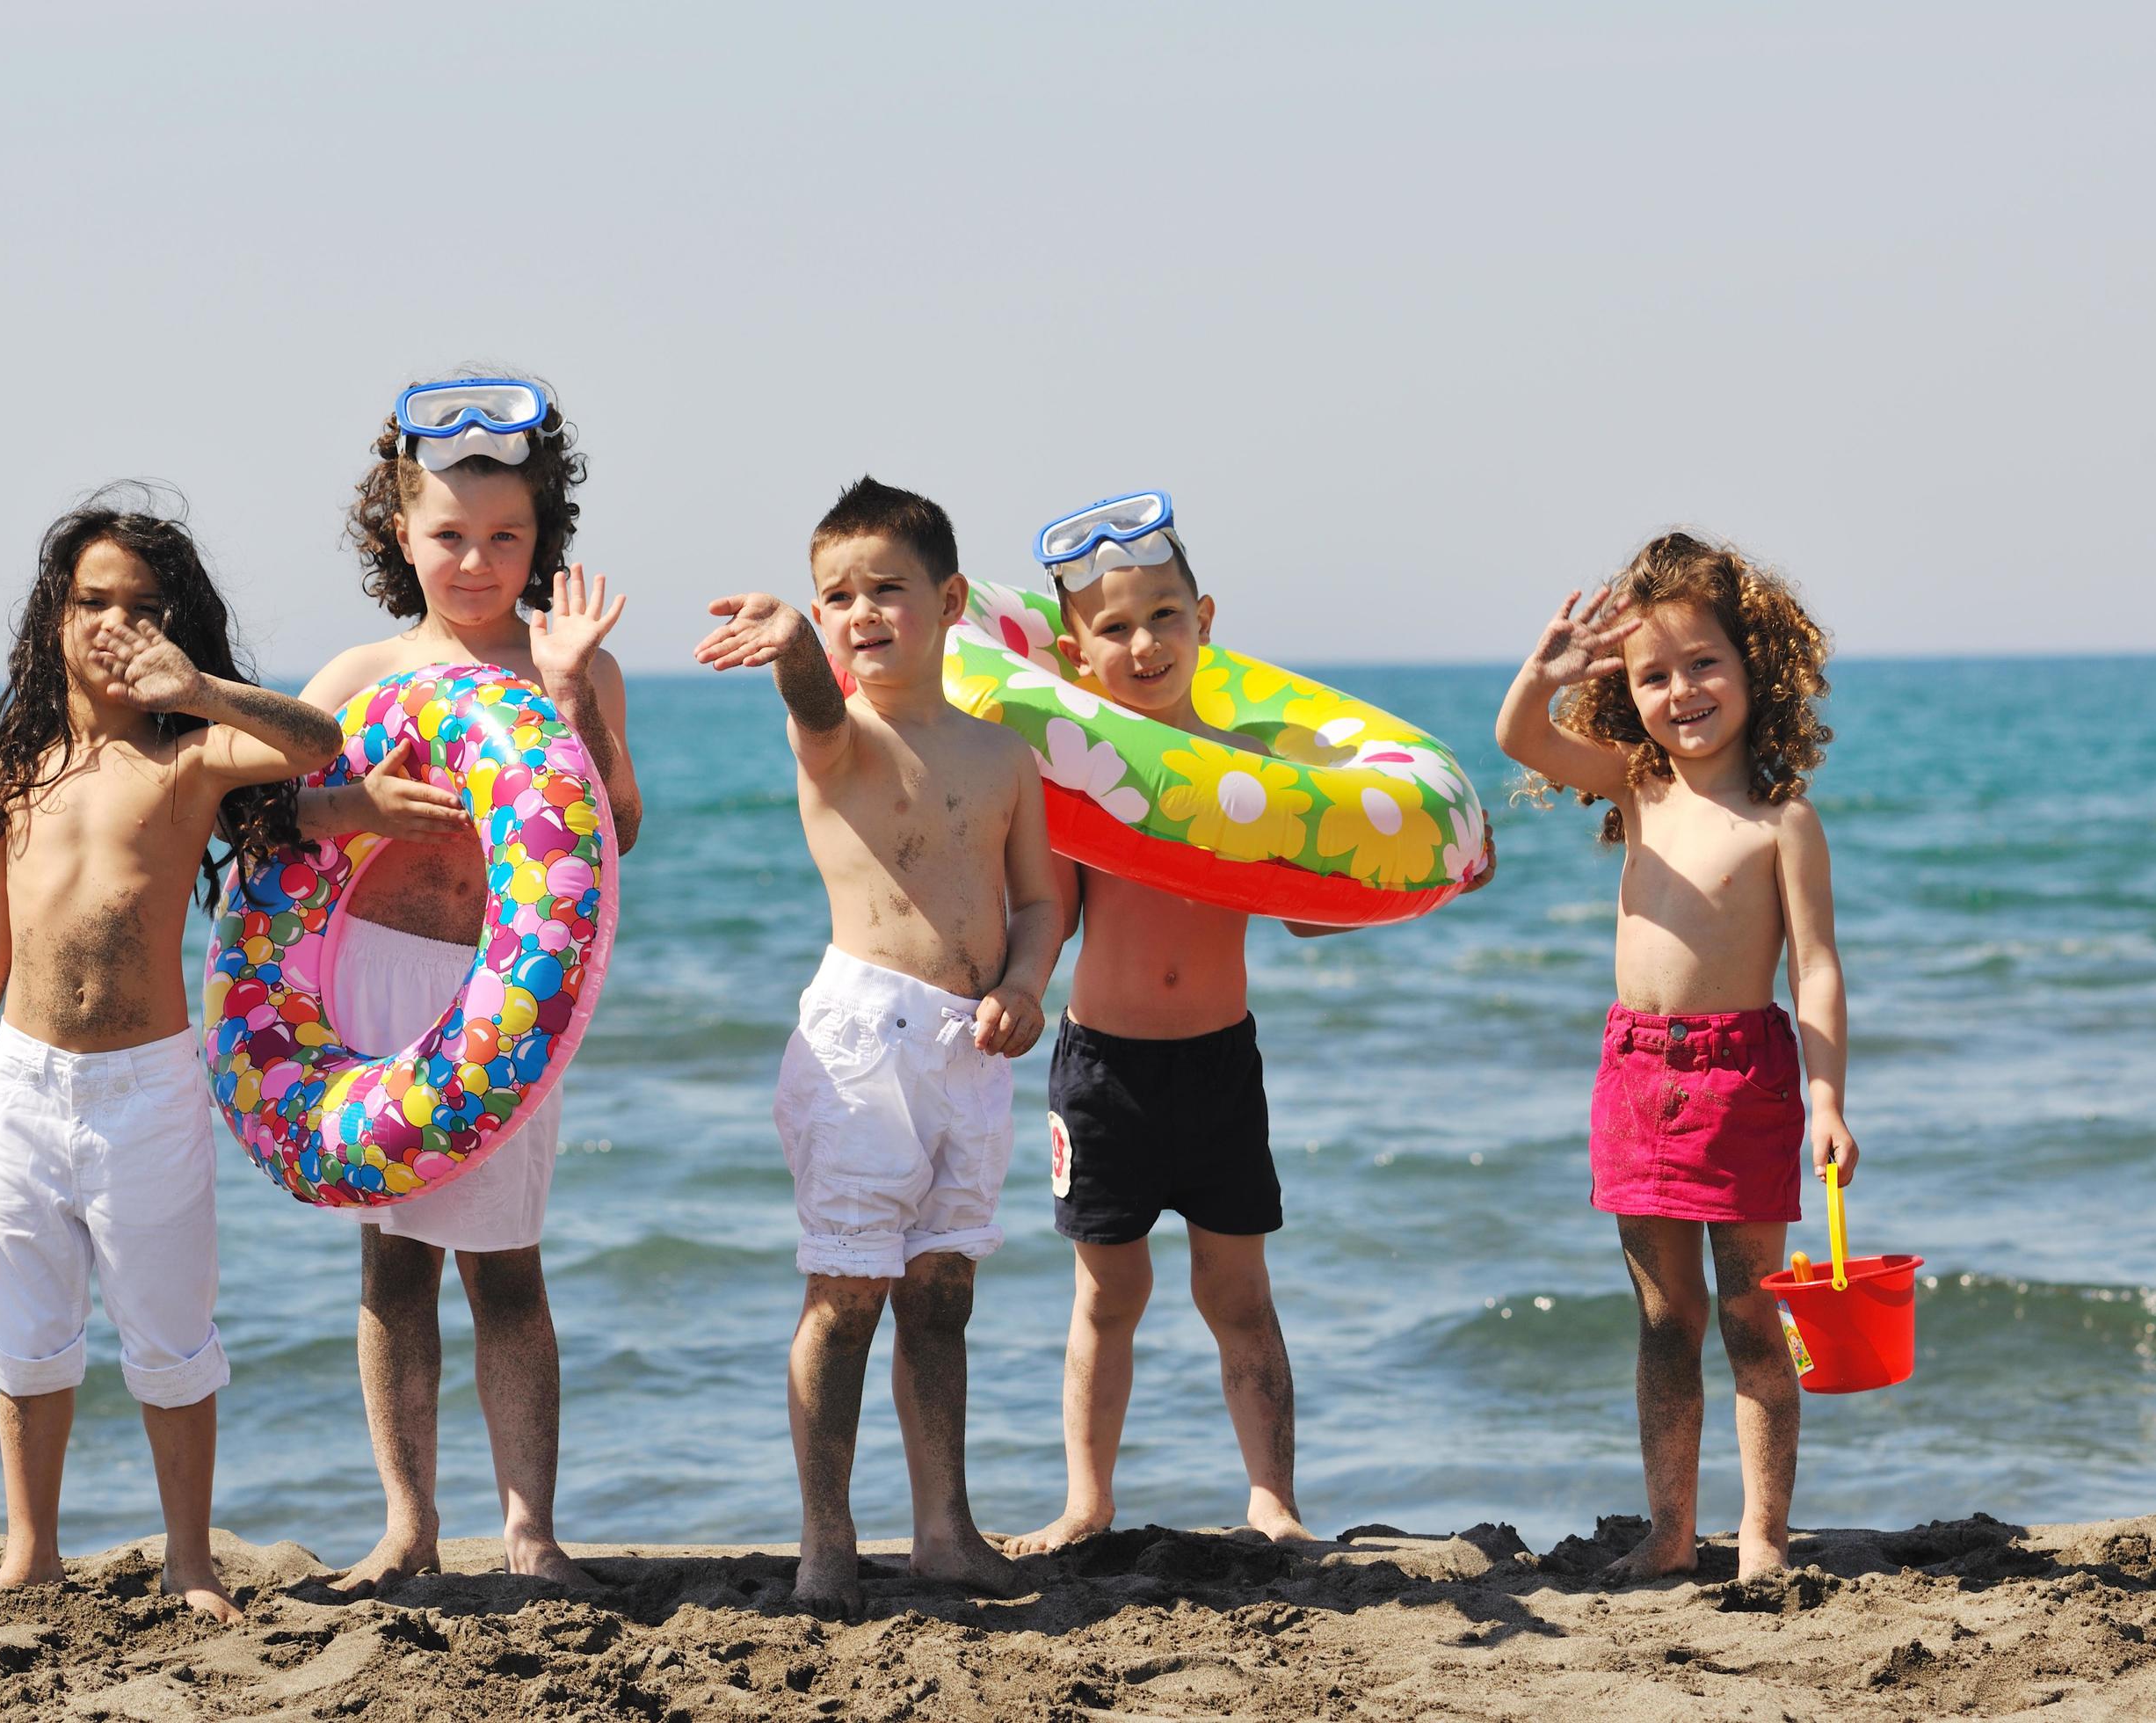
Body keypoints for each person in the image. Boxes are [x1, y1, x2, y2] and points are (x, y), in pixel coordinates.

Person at [0, 492, 345, 1622]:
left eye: (142, 607)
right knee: (29, 1332)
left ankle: (189, 1559)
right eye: (93, 601)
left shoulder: (186, 761)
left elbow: (315, 743)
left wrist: (191, 688)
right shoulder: (14, 771)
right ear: (55, 615)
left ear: (173, 622)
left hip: (148, 1090)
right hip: (30, 1087)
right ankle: (31, 1548)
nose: (114, 623)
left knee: (171, 1334)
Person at [293, 375, 640, 1591]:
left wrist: (569, 694)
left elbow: (620, 827)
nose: (478, 563)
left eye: (506, 538)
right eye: (449, 536)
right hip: (372, 975)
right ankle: (409, 1526)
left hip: (504, 991)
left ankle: (530, 1532)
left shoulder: (572, 663)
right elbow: (275, 822)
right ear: (400, 535)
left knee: (507, 1267)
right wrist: (353, 803)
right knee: (392, 1266)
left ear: (542, 540)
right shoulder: (360, 671)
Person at [695, 476, 1062, 1614]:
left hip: (971, 1050)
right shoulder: (839, 742)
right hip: (863, 1041)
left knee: (941, 1292)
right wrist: (793, 645)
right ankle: (826, 1542)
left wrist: (1025, 985)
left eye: (885, 590)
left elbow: (1041, 902)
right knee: (845, 1293)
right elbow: (810, 700)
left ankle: (945, 1532)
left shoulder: (1003, 759)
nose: (862, 613)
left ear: (948, 600)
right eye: (835, 594)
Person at [1001, 498, 1359, 1557]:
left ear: (1204, 620)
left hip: (1216, 1062)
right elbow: (1053, 914)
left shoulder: (1242, 767)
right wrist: (1017, 987)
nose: (1144, 643)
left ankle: (1274, 1500)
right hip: (1102, 1070)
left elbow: (1306, 913)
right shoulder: (1083, 774)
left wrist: (1331, 827)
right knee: (1108, 1293)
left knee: (1236, 1290)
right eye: (1114, 628)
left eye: (1164, 615)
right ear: (1076, 649)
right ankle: (1086, 1501)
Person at [1492, 529, 1851, 1581]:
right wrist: (1545, 670)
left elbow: (1816, 972)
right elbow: (1520, 737)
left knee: (1753, 1314)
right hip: (1639, 1077)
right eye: (1654, 674)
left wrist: (1827, 1100)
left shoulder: (1781, 820)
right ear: (1627, 692)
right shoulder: (1636, 788)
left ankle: (1764, 1537)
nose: (1682, 691)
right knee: (1664, 1318)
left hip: (1746, 1078)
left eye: (1704, 663)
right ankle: (1669, 1532)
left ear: (1753, 668)